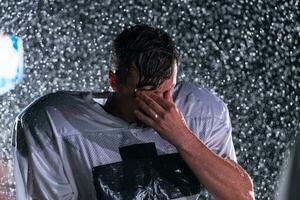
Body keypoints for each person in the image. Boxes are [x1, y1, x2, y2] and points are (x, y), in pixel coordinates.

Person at [12, 24, 254, 200]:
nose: (161, 106)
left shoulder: (200, 112)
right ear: (114, 81)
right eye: (146, 93)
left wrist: (183, 138)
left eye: (167, 91)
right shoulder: (55, 124)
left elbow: (242, 195)